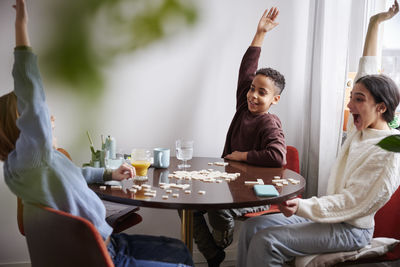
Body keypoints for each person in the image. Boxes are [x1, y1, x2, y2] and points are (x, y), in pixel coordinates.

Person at [0, 1, 193, 266]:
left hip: (109, 241)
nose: (50, 118)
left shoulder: (41, 166)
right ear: (24, 127)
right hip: (102, 256)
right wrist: (21, 28)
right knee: (182, 263)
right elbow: (33, 98)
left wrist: (108, 174)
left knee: (179, 249)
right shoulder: (30, 162)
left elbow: (73, 175)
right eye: (42, 118)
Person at [237, 1, 400, 266]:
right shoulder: (362, 128)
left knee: (267, 241)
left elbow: (351, 204)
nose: (349, 106)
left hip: (350, 230)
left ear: (381, 107)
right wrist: (374, 23)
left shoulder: (388, 151)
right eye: (351, 97)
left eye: (358, 100)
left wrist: (302, 206)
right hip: (330, 216)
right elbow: (367, 69)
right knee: (251, 228)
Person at [192, 7, 287, 267]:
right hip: (230, 184)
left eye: (262, 93)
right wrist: (260, 33)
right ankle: (214, 254)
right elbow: (247, 68)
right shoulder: (244, 106)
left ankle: (222, 241)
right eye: (252, 90)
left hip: (255, 192)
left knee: (218, 208)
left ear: (274, 99)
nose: (253, 95)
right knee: (188, 206)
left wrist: (241, 156)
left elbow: (278, 156)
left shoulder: (270, 122)